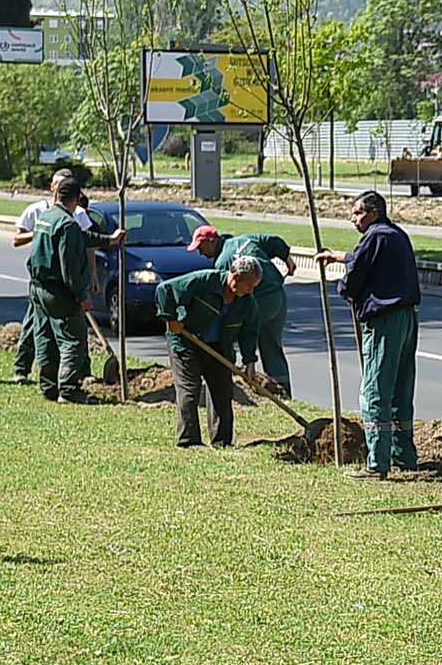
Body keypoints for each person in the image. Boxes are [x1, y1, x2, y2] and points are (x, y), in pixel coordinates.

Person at [313, 192, 421, 475]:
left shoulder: (374, 237)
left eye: (357, 213)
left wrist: (346, 289)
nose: (353, 218)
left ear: (374, 213)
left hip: (384, 321)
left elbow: (353, 280)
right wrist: (340, 256)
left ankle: (377, 463)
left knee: (375, 391)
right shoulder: (396, 234)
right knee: (400, 389)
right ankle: (403, 456)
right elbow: (369, 261)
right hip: (407, 318)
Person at [157, 255, 263, 447]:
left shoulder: (247, 302)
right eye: (249, 285)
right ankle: (189, 440)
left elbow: (249, 333)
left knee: (222, 392)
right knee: (190, 391)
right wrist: (170, 318)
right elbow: (165, 290)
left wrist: (250, 362)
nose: (251, 290)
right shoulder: (204, 281)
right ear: (236, 278)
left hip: (219, 347)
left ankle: (222, 441)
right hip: (186, 341)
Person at [24, 170, 99, 402]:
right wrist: (82, 296)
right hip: (60, 292)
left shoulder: (46, 218)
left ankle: (48, 387)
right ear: (76, 199)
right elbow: (70, 270)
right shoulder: (67, 224)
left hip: (38, 289)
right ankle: (68, 390)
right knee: (73, 341)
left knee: (44, 337)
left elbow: (82, 238)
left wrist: (110, 240)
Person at [217, 227, 298, 396]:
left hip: (261, 298)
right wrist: (288, 259)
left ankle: (229, 374)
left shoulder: (222, 261)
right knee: (271, 342)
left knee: (238, 329)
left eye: (201, 247)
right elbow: (274, 241)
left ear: (211, 241)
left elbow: (227, 291)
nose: (201, 253)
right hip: (278, 295)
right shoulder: (248, 238)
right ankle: (282, 390)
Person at [7, 187, 71, 385]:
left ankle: (72, 374)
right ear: (53, 188)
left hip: (63, 283)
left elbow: (86, 243)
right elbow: (16, 239)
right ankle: (23, 369)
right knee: (34, 326)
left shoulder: (75, 213)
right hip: (43, 282)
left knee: (66, 331)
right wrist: (40, 233)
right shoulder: (37, 211)